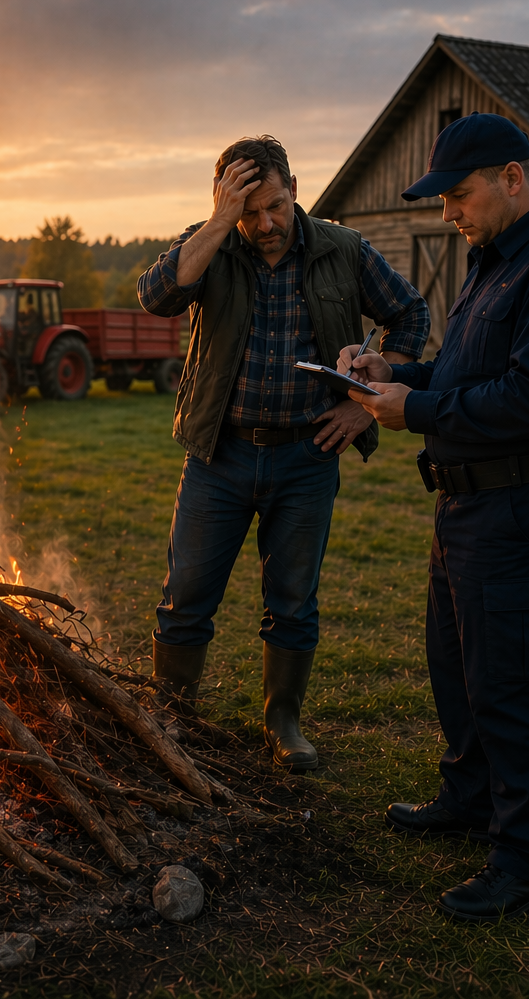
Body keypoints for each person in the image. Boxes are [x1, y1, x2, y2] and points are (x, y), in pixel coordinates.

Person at [344, 113, 529, 920]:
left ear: (511, 177)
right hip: (472, 500)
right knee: (459, 667)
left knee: (512, 682)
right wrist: (393, 370)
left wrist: (418, 407)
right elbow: (470, 372)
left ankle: (526, 861)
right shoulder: (495, 259)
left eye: (457, 196)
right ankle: (471, 801)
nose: (447, 215)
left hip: (528, 504)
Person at [137, 135, 429, 771]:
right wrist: (218, 222)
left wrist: (362, 404)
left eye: (273, 206)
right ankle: (173, 718)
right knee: (186, 594)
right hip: (220, 455)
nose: (264, 224)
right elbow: (155, 297)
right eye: (247, 211)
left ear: (295, 190)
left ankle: (282, 720)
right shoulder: (211, 243)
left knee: (293, 599)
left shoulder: (343, 249)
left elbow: (410, 317)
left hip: (306, 456)